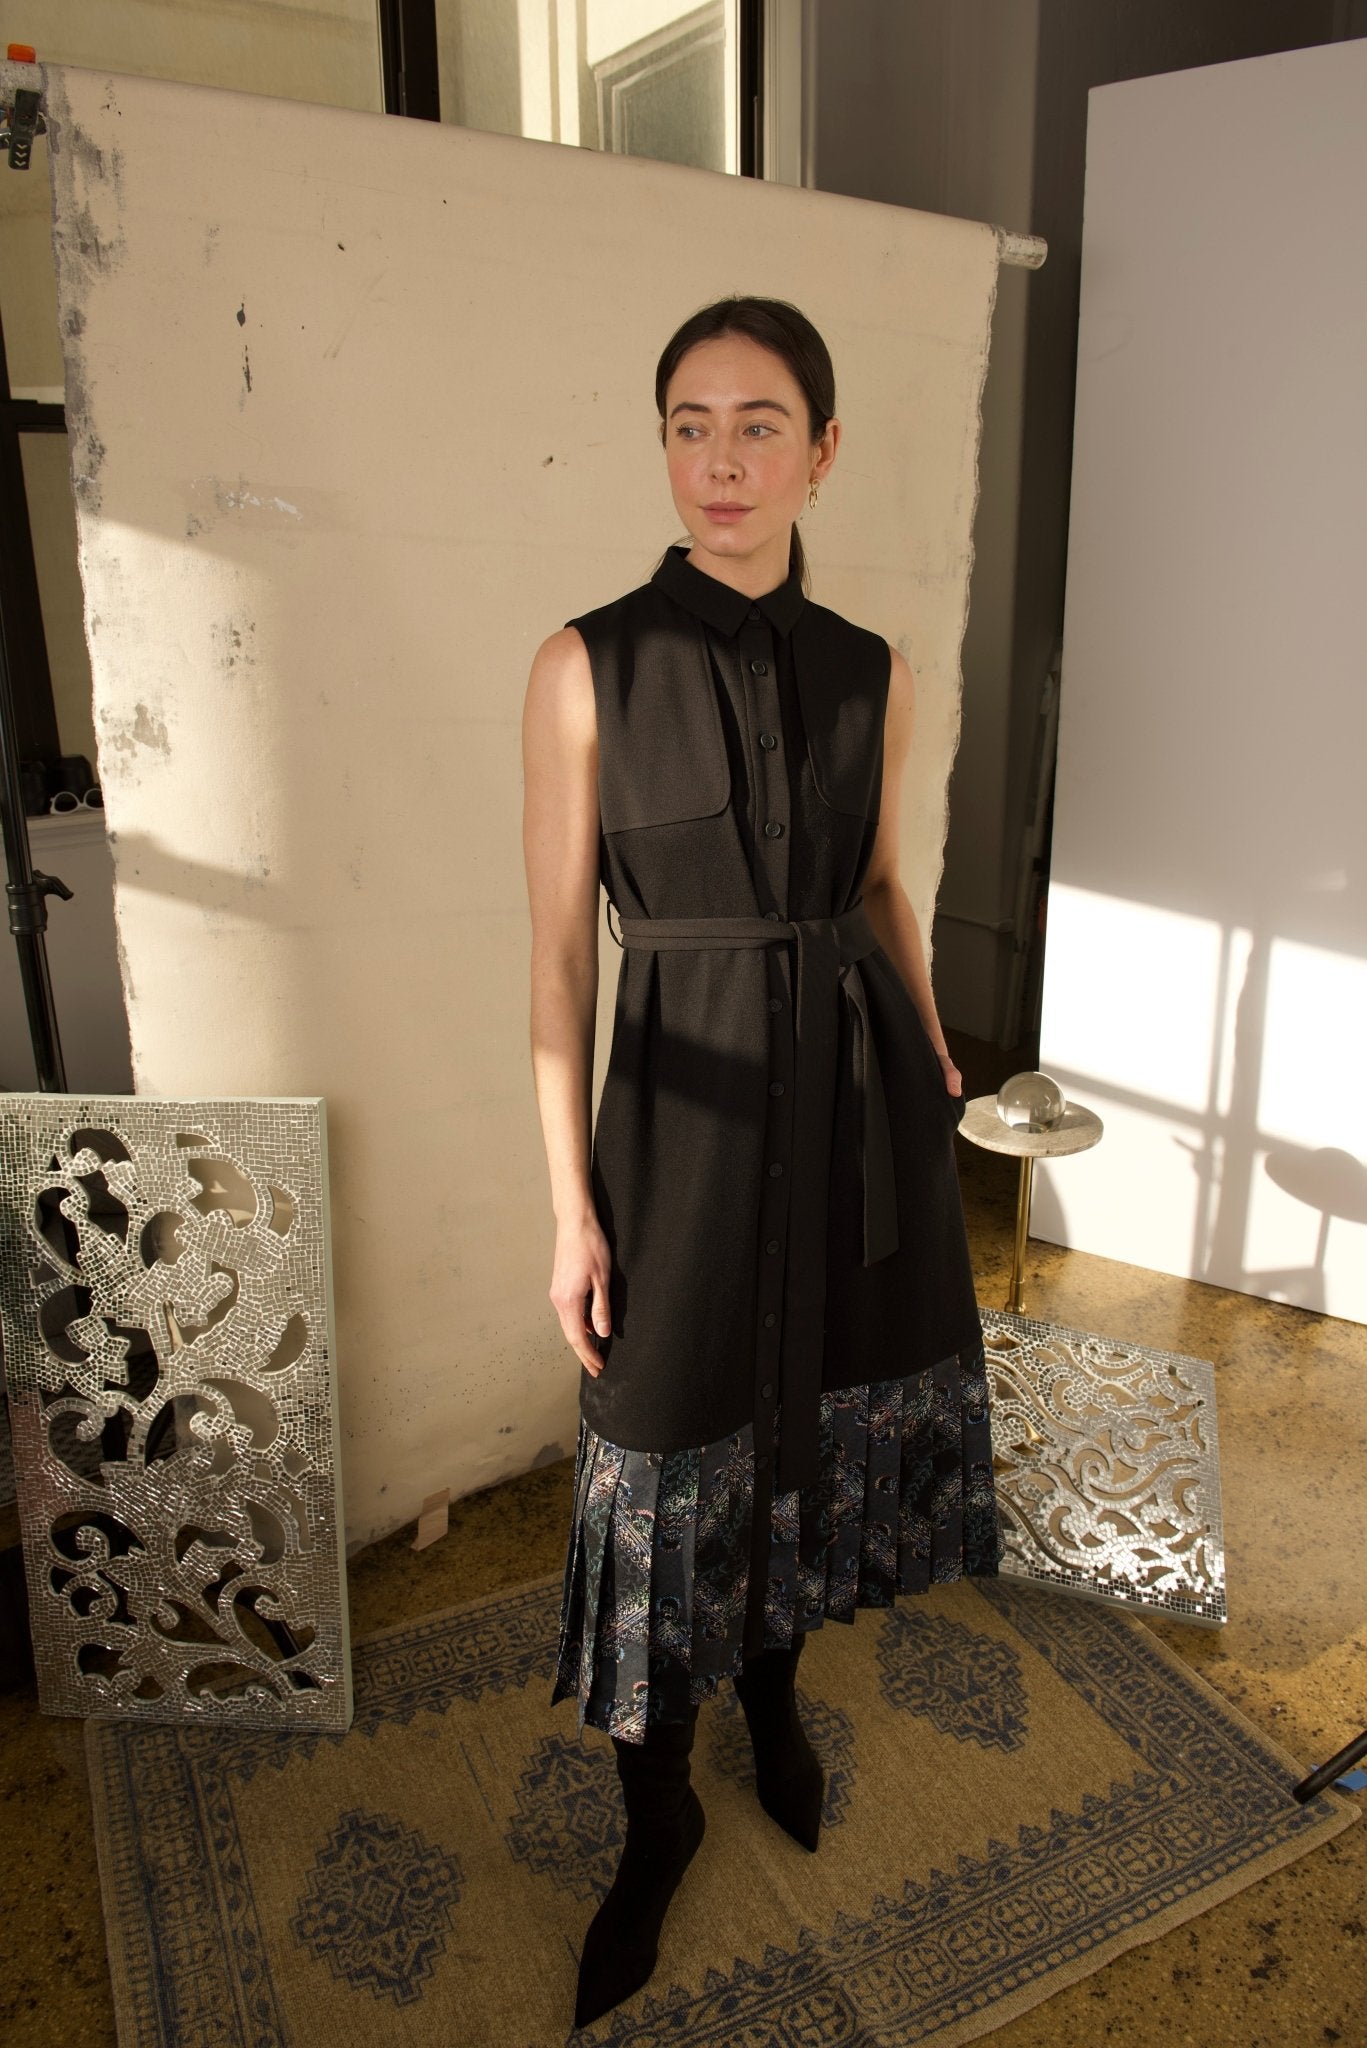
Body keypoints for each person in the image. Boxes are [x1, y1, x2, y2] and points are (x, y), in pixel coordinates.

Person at [521, 294, 1000, 2029]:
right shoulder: (585, 666)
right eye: (689, 426)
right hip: (681, 1122)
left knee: (811, 1420)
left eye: (759, 425)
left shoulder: (877, 671)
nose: (720, 463)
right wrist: (570, 1206)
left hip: (856, 1097)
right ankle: (655, 1814)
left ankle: (777, 1702)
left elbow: (880, 889)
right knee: (664, 1448)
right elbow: (558, 964)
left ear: (823, 449)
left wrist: (929, 1048)